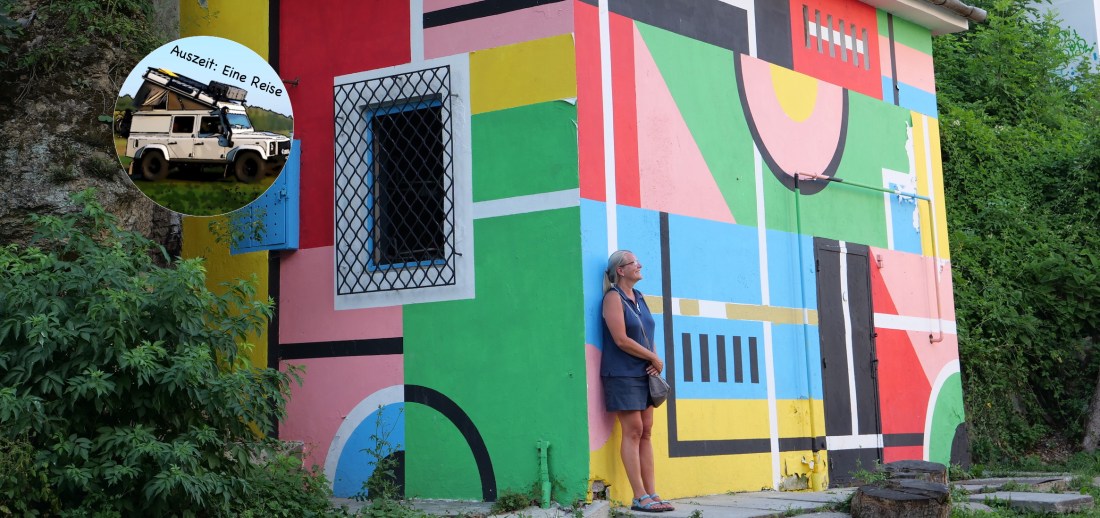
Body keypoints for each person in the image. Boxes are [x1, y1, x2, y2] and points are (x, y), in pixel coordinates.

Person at [601, 250, 674, 513]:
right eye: (634, 262)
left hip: (645, 373)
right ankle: (639, 496)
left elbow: (647, 333)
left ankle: (652, 493)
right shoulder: (613, 298)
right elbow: (621, 339)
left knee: (646, 431)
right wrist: (653, 357)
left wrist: (654, 361)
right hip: (622, 374)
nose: (640, 265)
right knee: (633, 430)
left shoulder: (640, 297)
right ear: (620, 270)